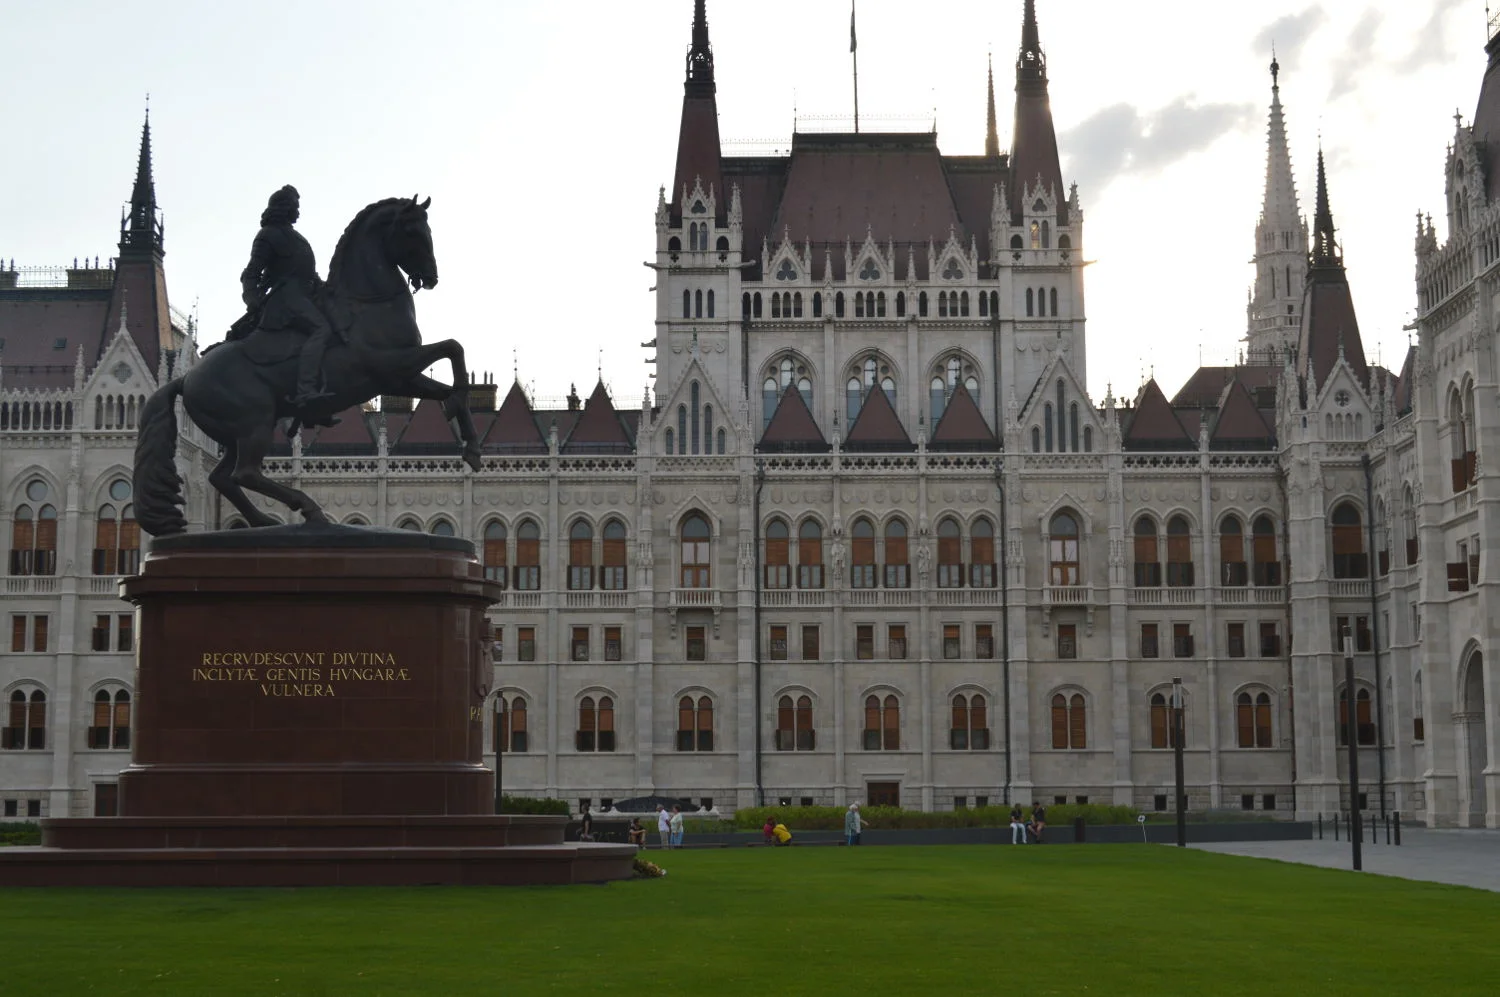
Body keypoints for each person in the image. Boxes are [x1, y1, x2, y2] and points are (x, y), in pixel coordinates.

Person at [235, 185, 340, 413]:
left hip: (305, 295)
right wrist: (252, 299)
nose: (298, 211)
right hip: (285, 300)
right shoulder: (268, 236)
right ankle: (306, 391)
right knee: (322, 329)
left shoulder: (296, 238)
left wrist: (327, 289)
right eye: (295, 206)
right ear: (285, 208)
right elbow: (251, 273)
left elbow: (309, 273)